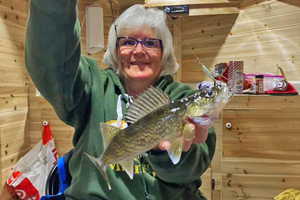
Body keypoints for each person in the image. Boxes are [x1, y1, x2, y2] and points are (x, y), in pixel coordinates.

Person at [25, 1, 216, 199]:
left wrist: (165, 152)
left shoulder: (186, 100)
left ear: (164, 52)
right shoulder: (92, 85)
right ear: (115, 51)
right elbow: (51, 63)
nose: (139, 51)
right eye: (128, 42)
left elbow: (188, 173)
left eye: (150, 43)